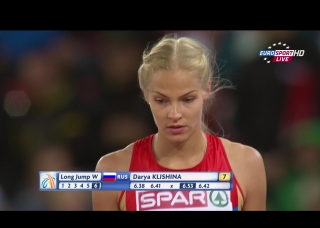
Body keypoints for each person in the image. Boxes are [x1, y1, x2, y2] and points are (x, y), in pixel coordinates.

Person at [92, 34, 267, 211]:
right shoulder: (112, 171)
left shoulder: (246, 164)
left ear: (206, 90)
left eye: (188, 99)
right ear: (146, 94)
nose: (175, 114)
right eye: (161, 101)